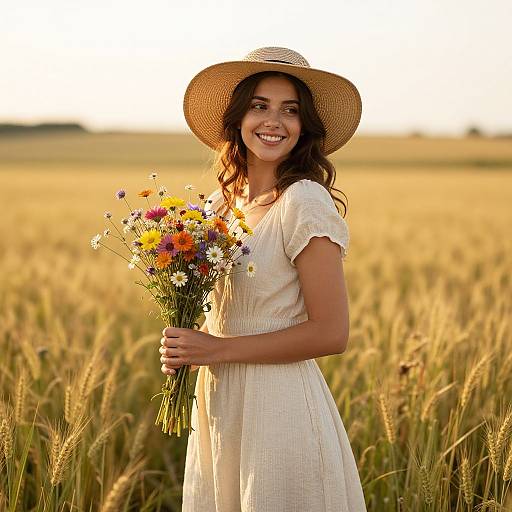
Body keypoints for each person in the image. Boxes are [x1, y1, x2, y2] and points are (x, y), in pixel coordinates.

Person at [158, 46, 367, 511]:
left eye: (290, 110)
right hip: (219, 403)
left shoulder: (303, 201)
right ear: (237, 118)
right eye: (260, 106)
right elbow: (217, 313)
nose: (274, 121)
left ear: (304, 125)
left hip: (279, 409)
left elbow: (332, 332)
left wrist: (217, 349)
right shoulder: (216, 206)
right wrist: (187, 345)